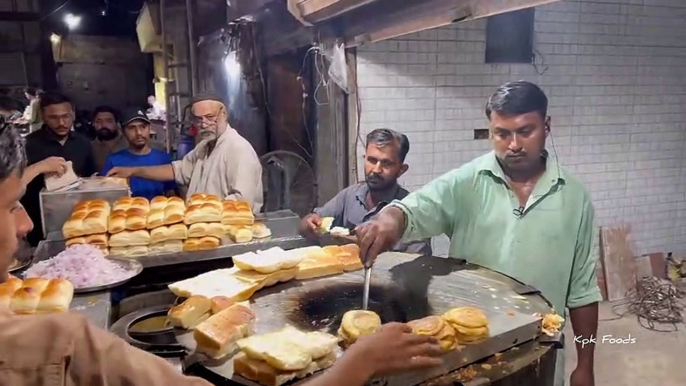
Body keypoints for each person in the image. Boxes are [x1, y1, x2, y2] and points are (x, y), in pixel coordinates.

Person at [0, 122, 442, 384]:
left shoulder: (409, 211)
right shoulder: (52, 341)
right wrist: (357, 365)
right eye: (11, 204)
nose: (25, 224)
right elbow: (315, 219)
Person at [355, 81, 601, 386]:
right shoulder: (467, 181)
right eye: (501, 133)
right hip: (471, 356)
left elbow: (583, 292)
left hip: (541, 352)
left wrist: (585, 365)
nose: (513, 145)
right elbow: (416, 207)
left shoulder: (574, 198)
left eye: (525, 131)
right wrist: (390, 218)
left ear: (546, 126)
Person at [107, 93, 263, 212]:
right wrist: (133, 171)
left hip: (231, 232)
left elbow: (242, 202)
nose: (204, 124)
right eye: (198, 119)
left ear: (224, 114)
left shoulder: (239, 149)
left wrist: (197, 213)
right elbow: (178, 170)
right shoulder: (205, 146)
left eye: (210, 117)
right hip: (205, 230)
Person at [300, 128, 431, 255]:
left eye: (386, 163)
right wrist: (309, 223)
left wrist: (364, 244)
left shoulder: (412, 213)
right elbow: (305, 225)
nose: (376, 170)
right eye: (372, 160)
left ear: (401, 170)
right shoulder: (350, 196)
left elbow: (417, 269)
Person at [21, 92, 97, 246]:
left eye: (66, 116)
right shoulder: (27, 145)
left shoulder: (83, 143)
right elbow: (12, 185)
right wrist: (41, 166)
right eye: (53, 118)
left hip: (77, 222)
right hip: (38, 225)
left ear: (73, 115)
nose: (61, 122)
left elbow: (90, 177)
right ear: (43, 116)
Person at [101, 109, 176, 200]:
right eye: (132, 128)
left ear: (149, 128)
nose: (139, 133)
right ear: (122, 131)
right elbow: (106, 194)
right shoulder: (114, 161)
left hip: (157, 210)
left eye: (143, 127)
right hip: (125, 211)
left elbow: (171, 193)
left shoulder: (163, 158)